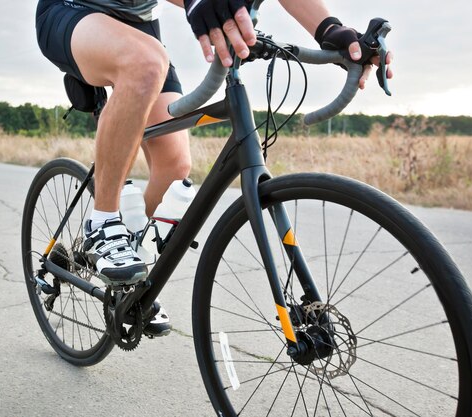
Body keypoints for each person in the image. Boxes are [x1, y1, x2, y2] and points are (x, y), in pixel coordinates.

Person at [35, 0, 392, 333]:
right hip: (73, 10)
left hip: (138, 25)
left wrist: (331, 30)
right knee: (145, 63)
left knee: (174, 166)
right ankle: (103, 221)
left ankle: (127, 278)